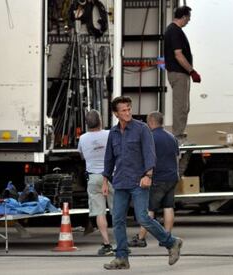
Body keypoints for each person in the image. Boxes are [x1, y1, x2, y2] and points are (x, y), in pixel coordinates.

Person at [102, 96, 183, 270]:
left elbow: (149, 153)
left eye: (129, 109)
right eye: (123, 110)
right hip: (120, 182)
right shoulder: (113, 133)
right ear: (116, 113)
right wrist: (105, 180)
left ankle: (171, 242)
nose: (127, 112)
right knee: (117, 220)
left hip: (139, 181)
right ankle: (121, 257)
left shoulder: (142, 129)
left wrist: (148, 174)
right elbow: (109, 158)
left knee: (143, 218)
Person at [128, 111, 180, 248]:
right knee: (168, 207)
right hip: (172, 176)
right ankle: (166, 237)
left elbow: (144, 157)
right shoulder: (172, 137)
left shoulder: (150, 137)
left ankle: (141, 238)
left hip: (157, 177)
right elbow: (177, 157)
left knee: (149, 209)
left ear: (150, 122)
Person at [77, 109, 114, 256]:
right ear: (101, 121)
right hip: (111, 177)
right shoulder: (109, 134)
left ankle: (106, 244)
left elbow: (81, 155)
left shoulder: (83, 138)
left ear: (86, 124)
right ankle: (121, 243)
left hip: (93, 178)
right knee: (116, 211)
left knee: (99, 212)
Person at [164, 5, 201, 144]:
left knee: (184, 106)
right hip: (179, 73)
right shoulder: (174, 31)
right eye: (188, 18)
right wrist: (192, 71)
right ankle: (178, 137)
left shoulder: (173, 30)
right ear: (184, 17)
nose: (189, 21)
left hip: (178, 73)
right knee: (181, 106)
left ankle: (180, 135)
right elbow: (178, 55)